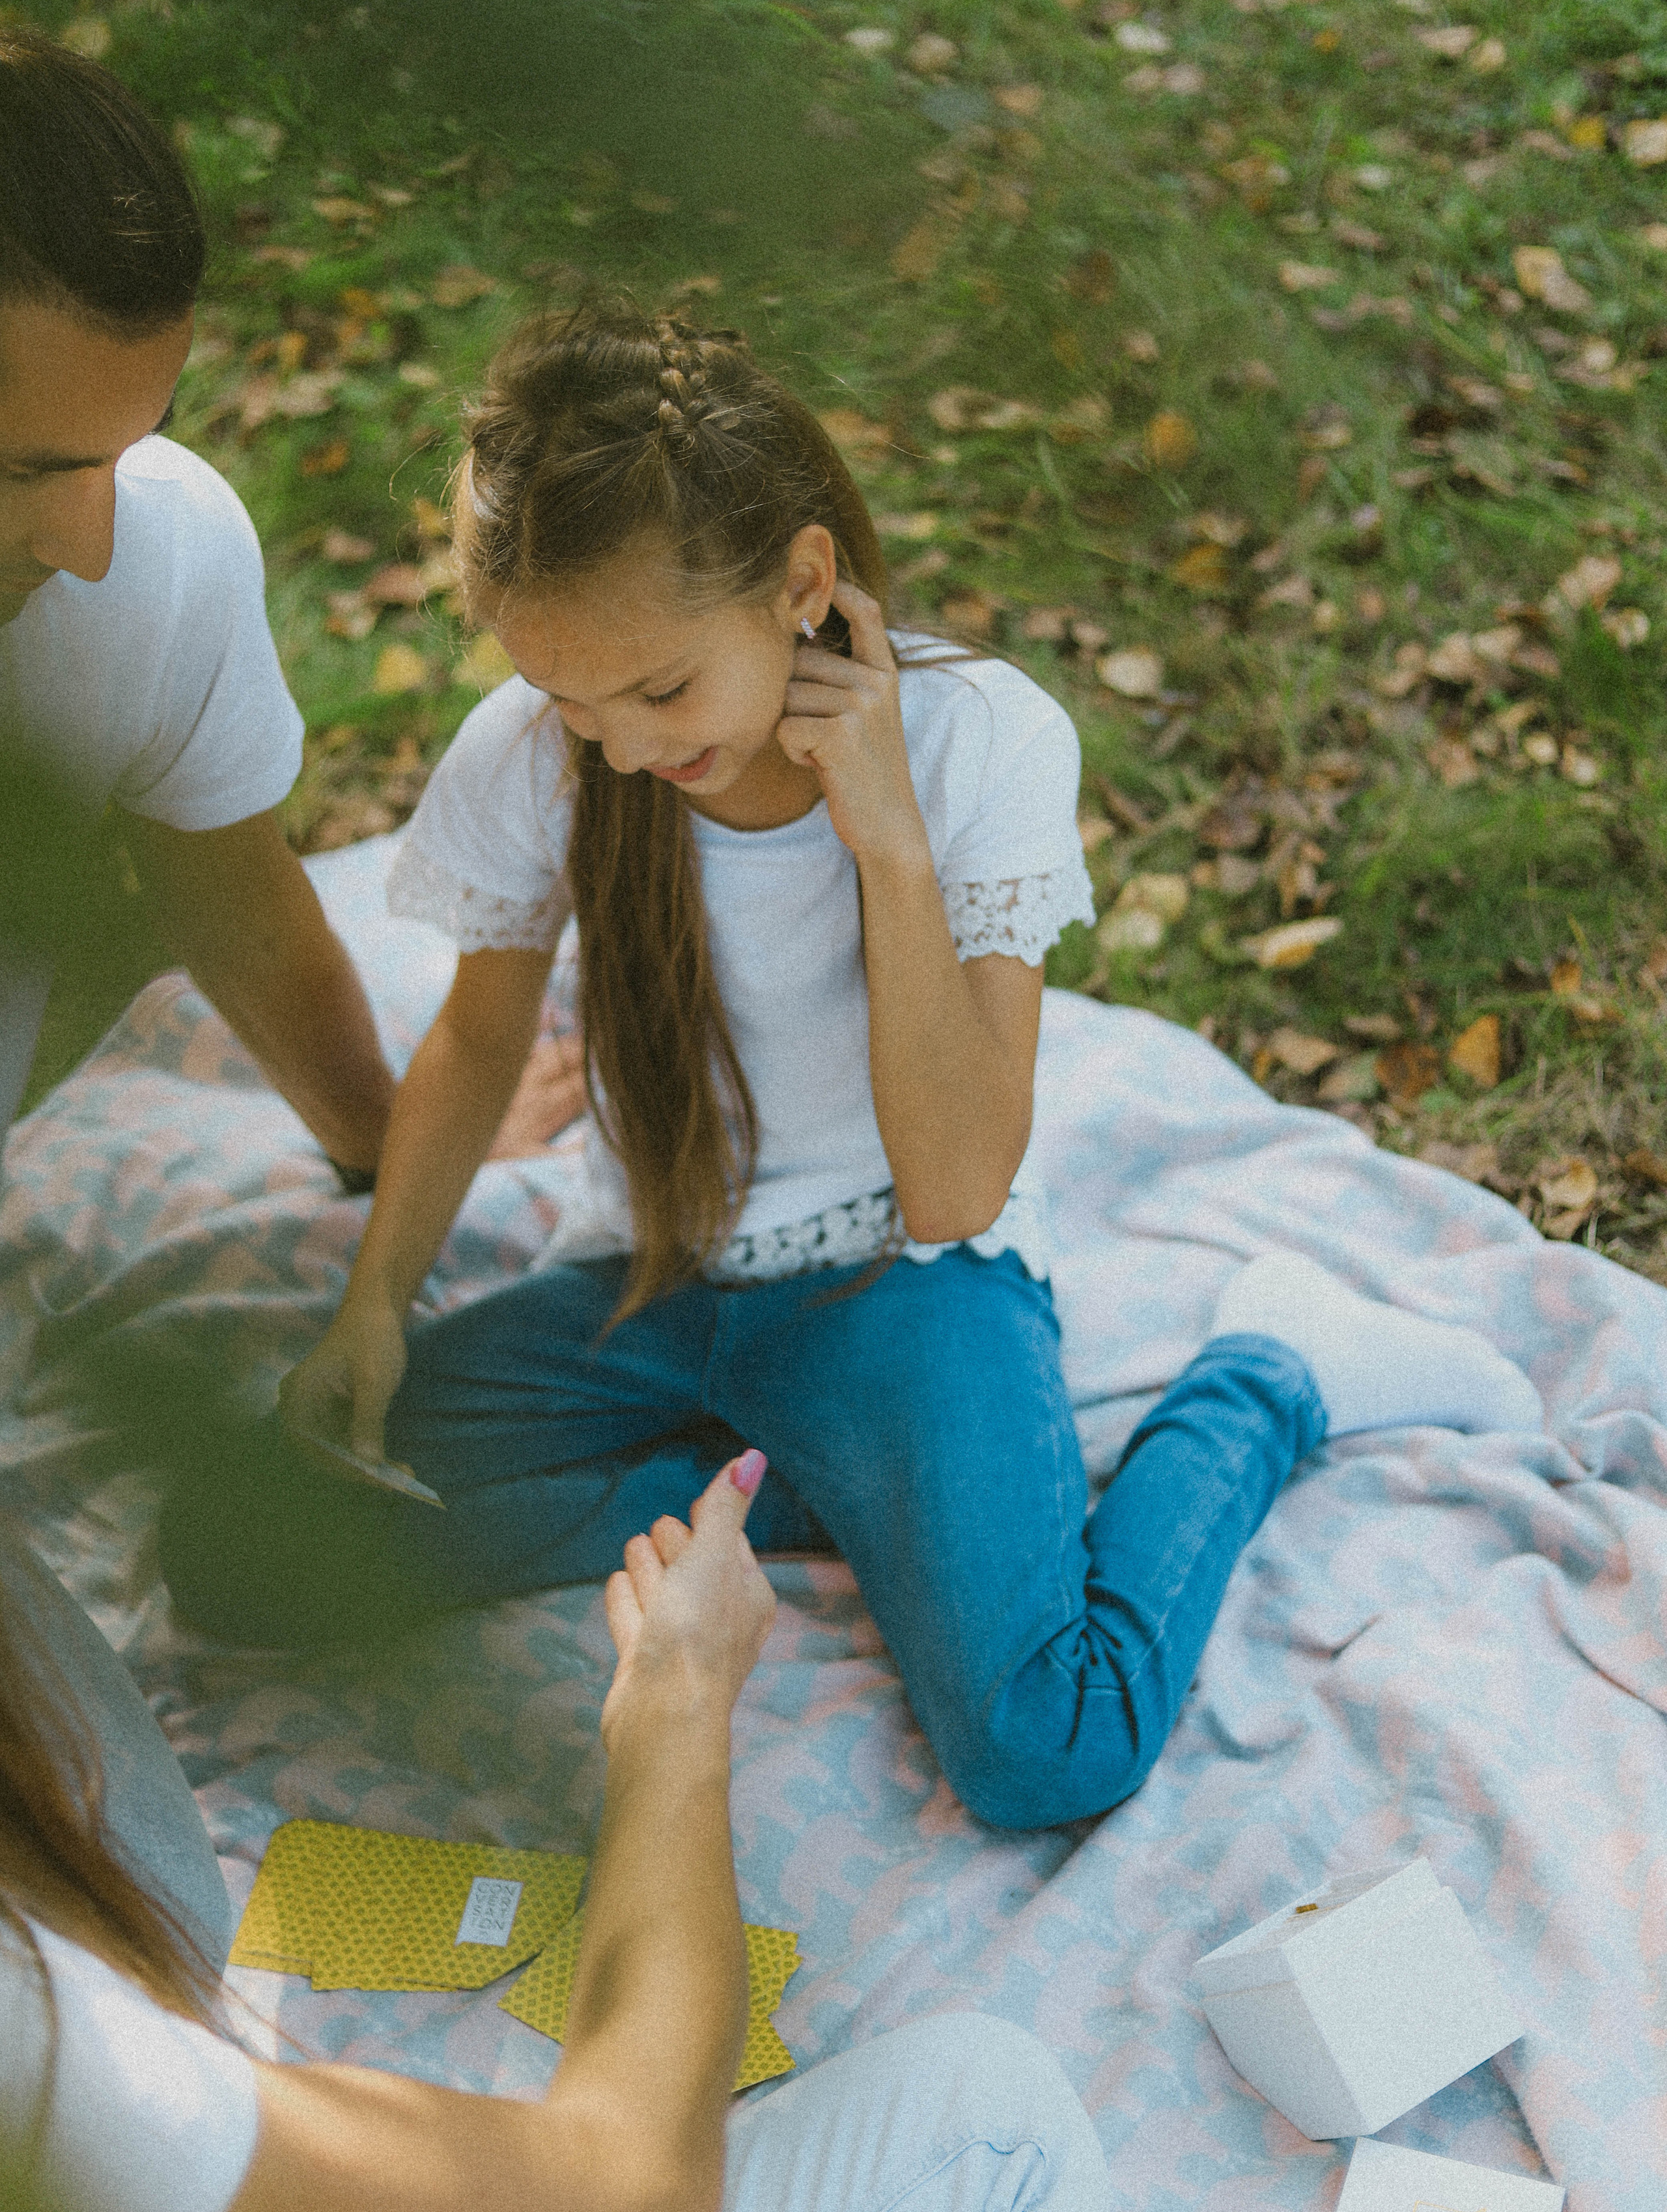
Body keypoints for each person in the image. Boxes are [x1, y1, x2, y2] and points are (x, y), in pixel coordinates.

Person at [164, 298, 1545, 1830]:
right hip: (656, 1277)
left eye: (660, 691)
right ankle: (792, 1485)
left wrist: (881, 836)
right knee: (239, 1556)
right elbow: (483, 1030)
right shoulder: (539, 754)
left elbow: (956, 1189)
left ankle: (1262, 1381)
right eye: (570, 699)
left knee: (1046, 1745)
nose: (615, 747)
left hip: (901, 1280)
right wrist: (374, 1303)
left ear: (801, 584)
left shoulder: (976, 748)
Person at [1, 1455, 1115, 2212]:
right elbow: (626, 2211)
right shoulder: (58, 2057)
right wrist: (678, 1699)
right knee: (995, 2114)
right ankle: (1261, 1380)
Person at [0, 26, 580, 1171]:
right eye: (26, 470)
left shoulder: (165, 563)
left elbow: (239, 913)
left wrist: (397, 1139)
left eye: (127, 447)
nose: (91, 546)